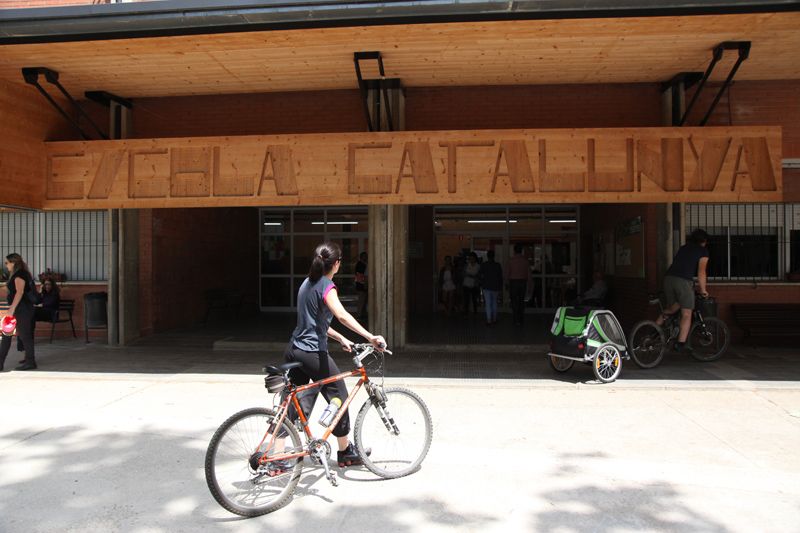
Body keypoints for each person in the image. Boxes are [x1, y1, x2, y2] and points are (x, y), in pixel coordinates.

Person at [283, 242, 386, 469]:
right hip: (311, 351)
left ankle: (278, 457)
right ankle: (345, 451)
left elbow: (316, 322)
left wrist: (341, 339)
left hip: (295, 348)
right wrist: (371, 337)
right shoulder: (326, 286)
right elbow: (341, 315)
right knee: (339, 393)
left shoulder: (306, 283)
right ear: (336, 264)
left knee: (291, 400)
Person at [656, 229, 710, 354]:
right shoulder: (703, 251)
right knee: (687, 313)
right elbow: (701, 272)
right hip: (683, 281)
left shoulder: (684, 247)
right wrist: (703, 290)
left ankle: (653, 330)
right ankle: (680, 344)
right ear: (704, 241)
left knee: (672, 308)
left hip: (668, 278)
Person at [1, 253, 37, 371]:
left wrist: (11, 309)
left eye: (7, 263)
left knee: (25, 336)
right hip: (19, 309)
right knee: (6, 335)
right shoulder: (21, 273)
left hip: (22, 310)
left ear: (13, 262)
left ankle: (30, 362)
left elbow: (19, 292)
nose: (6, 265)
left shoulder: (20, 275)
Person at [17, 277, 60, 358]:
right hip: (41, 313)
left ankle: (28, 338)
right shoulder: (43, 293)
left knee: (32, 312)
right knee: (29, 318)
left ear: (52, 285)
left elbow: (50, 303)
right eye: (45, 284)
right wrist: (40, 292)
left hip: (51, 314)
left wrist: (41, 305)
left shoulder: (55, 293)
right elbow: (36, 301)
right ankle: (27, 338)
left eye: (49, 284)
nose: (47, 286)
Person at [478, 250, 503, 325]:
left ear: (487, 256)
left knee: (488, 304)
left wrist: (481, 283)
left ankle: (489, 320)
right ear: (493, 256)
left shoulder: (484, 265)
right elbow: (500, 277)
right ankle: (494, 319)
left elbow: (480, 275)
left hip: (486, 286)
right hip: (495, 286)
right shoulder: (497, 265)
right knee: (494, 302)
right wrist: (500, 287)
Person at [508, 244, 530, 326]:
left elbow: (508, 273)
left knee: (514, 301)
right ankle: (521, 319)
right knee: (521, 301)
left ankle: (515, 319)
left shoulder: (511, 260)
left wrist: (506, 283)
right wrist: (530, 285)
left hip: (513, 282)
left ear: (514, 251)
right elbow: (529, 274)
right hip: (523, 282)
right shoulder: (525, 261)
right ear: (521, 251)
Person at [354, 252, 368, 319]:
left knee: (364, 301)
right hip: (361, 285)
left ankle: (363, 314)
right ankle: (359, 315)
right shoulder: (360, 265)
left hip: (362, 285)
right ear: (361, 257)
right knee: (361, 301)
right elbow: (360, 276)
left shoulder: (364, 264)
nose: (366, 258)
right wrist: (364, 283)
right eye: (364, 256)